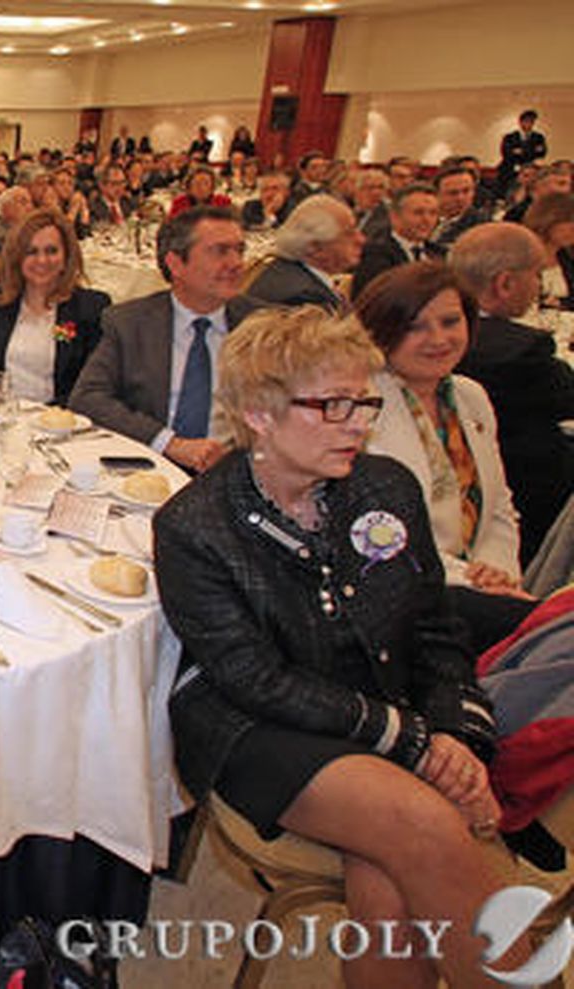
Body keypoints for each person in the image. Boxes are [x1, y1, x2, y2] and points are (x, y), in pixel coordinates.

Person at [154, 305, 516, 989]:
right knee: (425, 823)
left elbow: (433, 625)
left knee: (387, 886)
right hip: (262, 725)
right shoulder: (196, 525)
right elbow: (254, 677)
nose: (359, 422)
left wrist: (454, 731)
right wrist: (413, 740)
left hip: (383, 694)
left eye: (365, 403)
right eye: (335, 404)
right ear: (258, 414)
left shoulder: (384, 487)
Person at [358, 262, 527, 602]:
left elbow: (498, 509)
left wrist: (497, 571)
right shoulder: (358, 407)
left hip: (485, 590)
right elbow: (376, 536)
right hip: (400, 594)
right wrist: (474, 581)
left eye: (450, 322)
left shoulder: (470, 396)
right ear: (381, 333)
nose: (438, 339)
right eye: (415, 327)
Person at [70, 205, 262, 473]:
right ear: (175, 264)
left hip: (235, 474)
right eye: (220, 251)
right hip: (150, 468)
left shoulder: (262, 327)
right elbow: (88, 397)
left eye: (239, 250)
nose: (236, 263)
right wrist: (170, 443)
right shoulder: (131, 322)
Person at [451, 223, 574, 567]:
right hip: (529, 503)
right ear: (505, 283)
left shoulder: (446, 338)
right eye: (536, 276)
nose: (538, 287)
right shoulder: (522, 351)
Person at [0, 209, 110, 405]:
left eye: (51, 251)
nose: (42, 261)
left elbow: (90, 387)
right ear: (17, 258)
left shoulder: (90, 309)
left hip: (58, 424)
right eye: (31, 252)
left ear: (67, 256)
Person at [246, 194, 363, 313]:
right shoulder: (307, 300)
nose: (361, 239)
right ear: (316, 248)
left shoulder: (282, 269)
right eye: (349, 233)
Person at [351, 183, 444, 299]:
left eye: (433, 213)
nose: (427, 220)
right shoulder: (375, 254)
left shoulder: (440, 254)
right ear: (395, 217)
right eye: (418, 213)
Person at [497, 109, 548, 198]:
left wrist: (521, 152)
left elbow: (542, 153)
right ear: (520, 122)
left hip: (531, 168)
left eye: (531, 122)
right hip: (510, 171)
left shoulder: (538, 137)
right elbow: (506, 153)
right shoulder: (510, 137)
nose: (529, 124)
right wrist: (530, 151)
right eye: (526, 121)